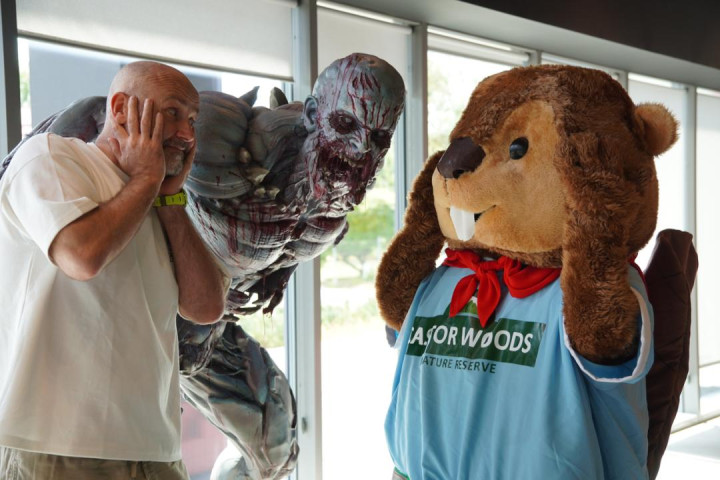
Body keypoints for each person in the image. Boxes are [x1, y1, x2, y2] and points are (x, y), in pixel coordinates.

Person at [0, 61, 228, 479]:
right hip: (56, 445)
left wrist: (168, 199)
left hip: (156, 450)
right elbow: (82, 256)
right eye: (173, 112)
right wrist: (146, 181)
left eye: (193, 120)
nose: (187, 134)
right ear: (121, 108)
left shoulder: (160, 197)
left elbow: (206, 307)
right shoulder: (51, 156)